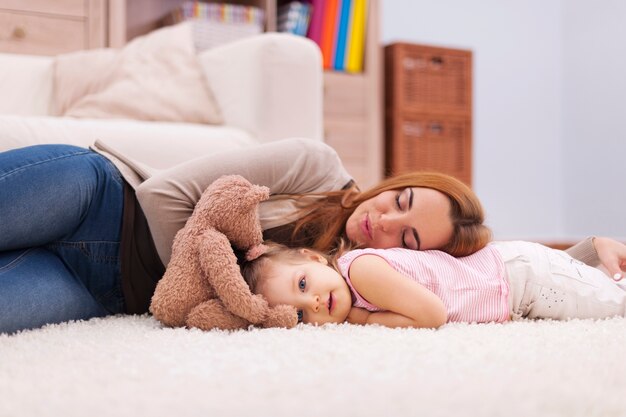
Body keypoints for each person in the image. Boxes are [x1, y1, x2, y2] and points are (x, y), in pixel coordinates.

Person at [1, 139, 624, 333]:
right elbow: (163, 198)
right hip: (102, 201)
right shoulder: (313, 165)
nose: (383, 221)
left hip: (106, 289)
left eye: (407, 240)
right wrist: (228, 261)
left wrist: (584, 251)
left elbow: (489, 273)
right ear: (393, 182)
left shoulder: (334, 288)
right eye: (398, 200)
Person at [241, 240, 626, 328]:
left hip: (521, 277)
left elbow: (432, 314)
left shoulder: (361, 272)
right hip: (514, 286)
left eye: (303, 283)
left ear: (313, 257)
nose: (314, 303)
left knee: (614, 304)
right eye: (299, 313)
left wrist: (362, 320)